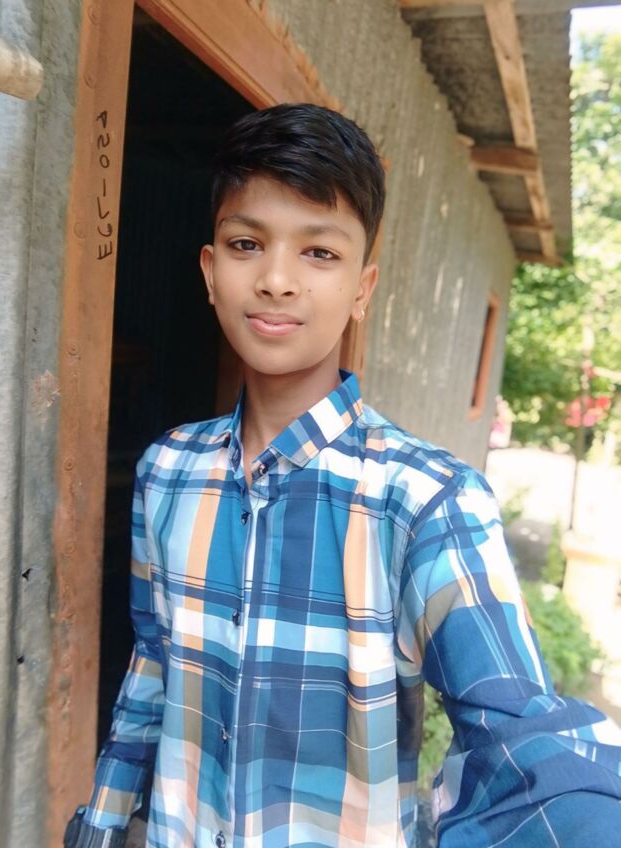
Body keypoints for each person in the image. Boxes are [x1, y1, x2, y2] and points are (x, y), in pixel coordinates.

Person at [65, 103, 621, 848]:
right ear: (210, 271)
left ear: (363, 287)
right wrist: (101, 825)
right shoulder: (166, 470)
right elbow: (153, 669)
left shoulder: (427, 501)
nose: (276, 280)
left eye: (319, 252)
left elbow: (523, 731)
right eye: (246, 243)